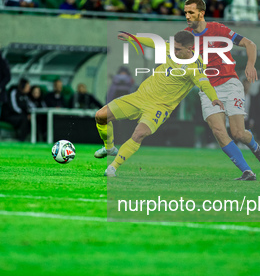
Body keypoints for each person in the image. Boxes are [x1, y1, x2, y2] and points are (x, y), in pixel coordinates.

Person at [94, 30, 224, 177]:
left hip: (159, 107)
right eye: (173, 47)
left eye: (177, 49)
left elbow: (204, 83)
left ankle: (113, 167)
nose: (173, 51)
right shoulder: (171, 48)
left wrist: (214, 98)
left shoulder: (195, 67)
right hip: (140, 96)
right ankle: (109, 148)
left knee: (139, 133)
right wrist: (133, 38)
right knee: (101, 116)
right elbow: (154, 43)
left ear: (190, 49)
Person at [183, 0, 260, 180]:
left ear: (201, 13)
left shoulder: (218, 29)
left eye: (191, 12)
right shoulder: (186, 36)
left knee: (238, 133)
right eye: (185, 12)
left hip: (230, 83)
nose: (187, 16)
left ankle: (253, 145)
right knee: (218, 131)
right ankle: (247, 171)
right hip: (208, 89)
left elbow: (249, 44)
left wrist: (250, 65)